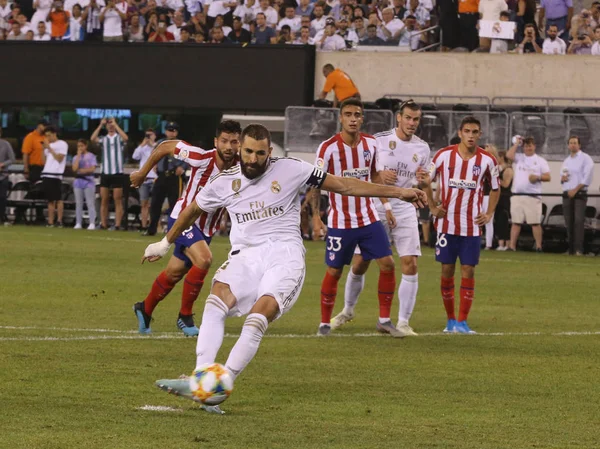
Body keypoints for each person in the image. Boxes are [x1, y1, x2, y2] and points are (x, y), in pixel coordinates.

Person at [142, 123, 426, 412]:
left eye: (260, 153)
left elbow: (345, 184)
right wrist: (164, 243)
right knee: (215, 303)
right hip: (245, 256)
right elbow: (191, 211)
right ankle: (202, 380)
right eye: (248, 151)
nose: (253, 159)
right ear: (241, 148)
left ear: (269, 152)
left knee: (258, 316)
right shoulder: (223, 182)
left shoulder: (292, 169)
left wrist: (397, 192)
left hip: (284, 256)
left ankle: (222, 381)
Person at [130, 121, 242, 336]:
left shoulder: (241, 168)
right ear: (216, 142)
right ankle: (185, 317)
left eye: (234, 142)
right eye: (225, 141)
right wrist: (143, 173)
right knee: (205, 259)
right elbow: (165, 147)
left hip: (206, 229)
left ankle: (144, 308)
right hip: (182, 220)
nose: (229, 147)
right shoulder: (201, 157)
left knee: (173, 274)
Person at [333, 100, 431, 337]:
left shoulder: (423, 148)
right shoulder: (378, 141)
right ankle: (347, 310)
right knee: (360, 262)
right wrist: (382, 186)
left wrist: (424, 181)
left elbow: (424, 181)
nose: (411, 123)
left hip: (405, 208)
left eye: (416, 119)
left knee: (410, 263)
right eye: (408, 118)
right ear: (398, 117)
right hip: (376, 206)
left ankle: (403, 322)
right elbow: (368, 174)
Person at [311, 99, 402, 337]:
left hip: (369, 218)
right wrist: (315, 218)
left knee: (388, 264)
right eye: (348, 114)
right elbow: (315, 182)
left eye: (357, 114)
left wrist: (387, 205)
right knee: (334, 271)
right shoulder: (328, 148)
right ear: (340, 118)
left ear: (362, 119)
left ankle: (384, 320)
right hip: (341, 222)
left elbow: (374, 176)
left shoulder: (371, 144)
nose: (353, 118)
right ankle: (323, 324)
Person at [417, 116, 500, 334]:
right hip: (446, 224)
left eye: (475, 132)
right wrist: (433, 207)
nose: (471, 136)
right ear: (460, 133)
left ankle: (462, 322)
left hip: (471, 226)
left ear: (480, 134)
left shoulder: (488, 160)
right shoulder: (444, 155)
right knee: (446, 269)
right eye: (467, 131)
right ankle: (450, 320)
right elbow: (426, 181)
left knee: (468, 270)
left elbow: (496, 188)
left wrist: (489, 213)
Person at [506, 136, 551, 252]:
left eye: (530, 146)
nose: (528, 148)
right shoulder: (519, 158)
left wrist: (537, 177)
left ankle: (539, 246)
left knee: (535, 223)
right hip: (517, 195)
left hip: (532, 196)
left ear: (534, 146)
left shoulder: (541, 161)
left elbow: (548, 176)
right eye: (526, 146)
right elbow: (508, 156)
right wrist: (516, 144)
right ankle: (512, 246)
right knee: (516, 222)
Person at [145, 121, 186, 236]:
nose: (171, 133)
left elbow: (188, 159)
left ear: (176, 132)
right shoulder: (160, 143)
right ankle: (151, 229)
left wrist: (182, 167)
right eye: (169, 130)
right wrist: (153, 164)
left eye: (173, 131)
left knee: (175, 205)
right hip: (162, 175)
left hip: (175, 176)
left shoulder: (181, 144)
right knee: (155, 203)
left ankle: (172, 231)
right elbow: (154, 155)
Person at [91, 117, 129, 231]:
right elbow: (93, 138)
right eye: (108, 124)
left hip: (117, 172)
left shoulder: (119, 138)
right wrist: (100, 125)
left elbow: (126, 138)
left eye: (111, 123)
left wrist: (116, 125)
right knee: (104, 199)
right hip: (105, 173)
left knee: (117, 199)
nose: (110, 125)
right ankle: (103, 223)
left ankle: (117, 225)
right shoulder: (104, 139)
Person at [560, 136, 594, 256]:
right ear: (568, 145)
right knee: (568, 222)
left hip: (579, 194)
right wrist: (563, 179)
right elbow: (563, 176)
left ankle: (579, 249)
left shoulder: (586, 159)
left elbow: (586, 178)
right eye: (571, 143)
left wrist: (575, 189)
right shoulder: (566, 160)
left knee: (578, 221)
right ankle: (570, 249)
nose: (573, 145)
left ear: (579, 145)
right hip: (567, 193)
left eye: (575, 143)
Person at [41, 126, 69, 228]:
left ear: (54, 134)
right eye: (46, 136)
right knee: (50, 200)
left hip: (56, 175)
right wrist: (43, 149)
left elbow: (59, 159)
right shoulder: (49, 146)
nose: (48, 137)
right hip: (46, 173)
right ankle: (50, 221)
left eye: (49, 135)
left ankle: (59, 220)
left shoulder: (62, 144)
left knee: (58, 199)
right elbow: (44, 161)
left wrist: (49, 148)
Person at [132, 129, 157, 232]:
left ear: (154, 135)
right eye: (147, 135)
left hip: (154, 178)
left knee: (154, 204)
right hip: (144, 179)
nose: (148, 136)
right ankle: (144, 225)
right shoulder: (142, 148)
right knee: (144, 204)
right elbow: (135, 156)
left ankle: (153, 225)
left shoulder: (157, 146)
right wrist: (143, 144)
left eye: (150, 135)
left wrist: (152, 144)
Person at [71, 139, 98, 230]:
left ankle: (92, 222)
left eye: (82, 146)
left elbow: (92, 168)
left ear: (86, 146)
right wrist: (78, 156)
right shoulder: (75, 157)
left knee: (90, 202)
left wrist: (82, 171)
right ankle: (78, 222)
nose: (80, 148)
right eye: (78, 146)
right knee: (78, 203)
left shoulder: (91, 156)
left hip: (88, 181)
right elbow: (74, 169)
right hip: (78, 182)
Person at [494, 150, 513, 250]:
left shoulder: (508, 170)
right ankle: (500, 243)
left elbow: (506, 184)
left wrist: (495, 178)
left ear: (501, 157)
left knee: (504, 220)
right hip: (498, 197)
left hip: (505, 198)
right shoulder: (499, 169)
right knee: (498, 220)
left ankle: (507, 244)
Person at [482, 144, 499, 249]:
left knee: (488, 221)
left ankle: (488, 244)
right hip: (478, 195)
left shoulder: (494, 165)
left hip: (488, 195)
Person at [0, 127, 15, 225]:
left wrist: (2, 164)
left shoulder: (6, 144)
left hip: (3, 176)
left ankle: (1, 218)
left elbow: (12, 159)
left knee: (2, 198)